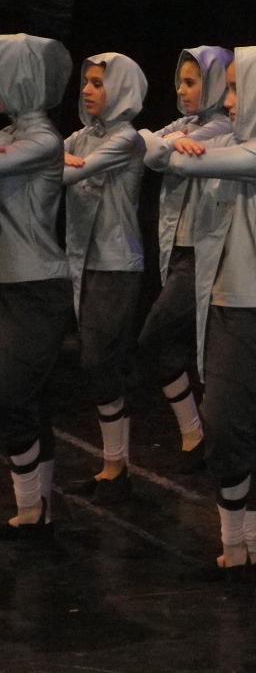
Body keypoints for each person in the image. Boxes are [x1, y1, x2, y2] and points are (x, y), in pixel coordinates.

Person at [143, 45, 256, 590]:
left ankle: (246, 546)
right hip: (220, 302)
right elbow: (157, 156)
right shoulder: (235, 141)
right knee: (231, 426)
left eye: (240, 87)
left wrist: (169, 145)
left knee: (230, 422)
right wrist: (167, 143)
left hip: (253, 306)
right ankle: (235, 550)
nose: (228, 96)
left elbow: (172, 159)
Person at [138, 46, 233, 472]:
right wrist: (166, 141)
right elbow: (144, 143)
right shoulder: (188, 125)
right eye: (180, 80)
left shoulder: (221, 127)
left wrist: (164, 144)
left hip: (203, 254)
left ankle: (202, 434)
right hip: (178, 252)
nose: (181, 89)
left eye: (191, 82)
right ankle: (195, 436)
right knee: (171, 345)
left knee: (156, 338)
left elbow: (158, 154)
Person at [63, 52, 147, 502]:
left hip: (116, 263)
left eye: (98, 83)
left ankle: (117, 465)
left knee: (99, 360)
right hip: (86, 262)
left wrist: (47, 161)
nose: (87, 90)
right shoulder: (83, 136)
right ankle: (115, 468)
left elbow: (67, 170)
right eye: (87, 82)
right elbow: (54, 156)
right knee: (96, 362)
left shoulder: (126, 139)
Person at [0, 34, 73, 537]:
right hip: (11, 284)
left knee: (11, 394)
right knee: (27, 398)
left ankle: (32, 508)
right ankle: (35, 509)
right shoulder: (12, 134)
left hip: (37, 287)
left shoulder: (43, 140)